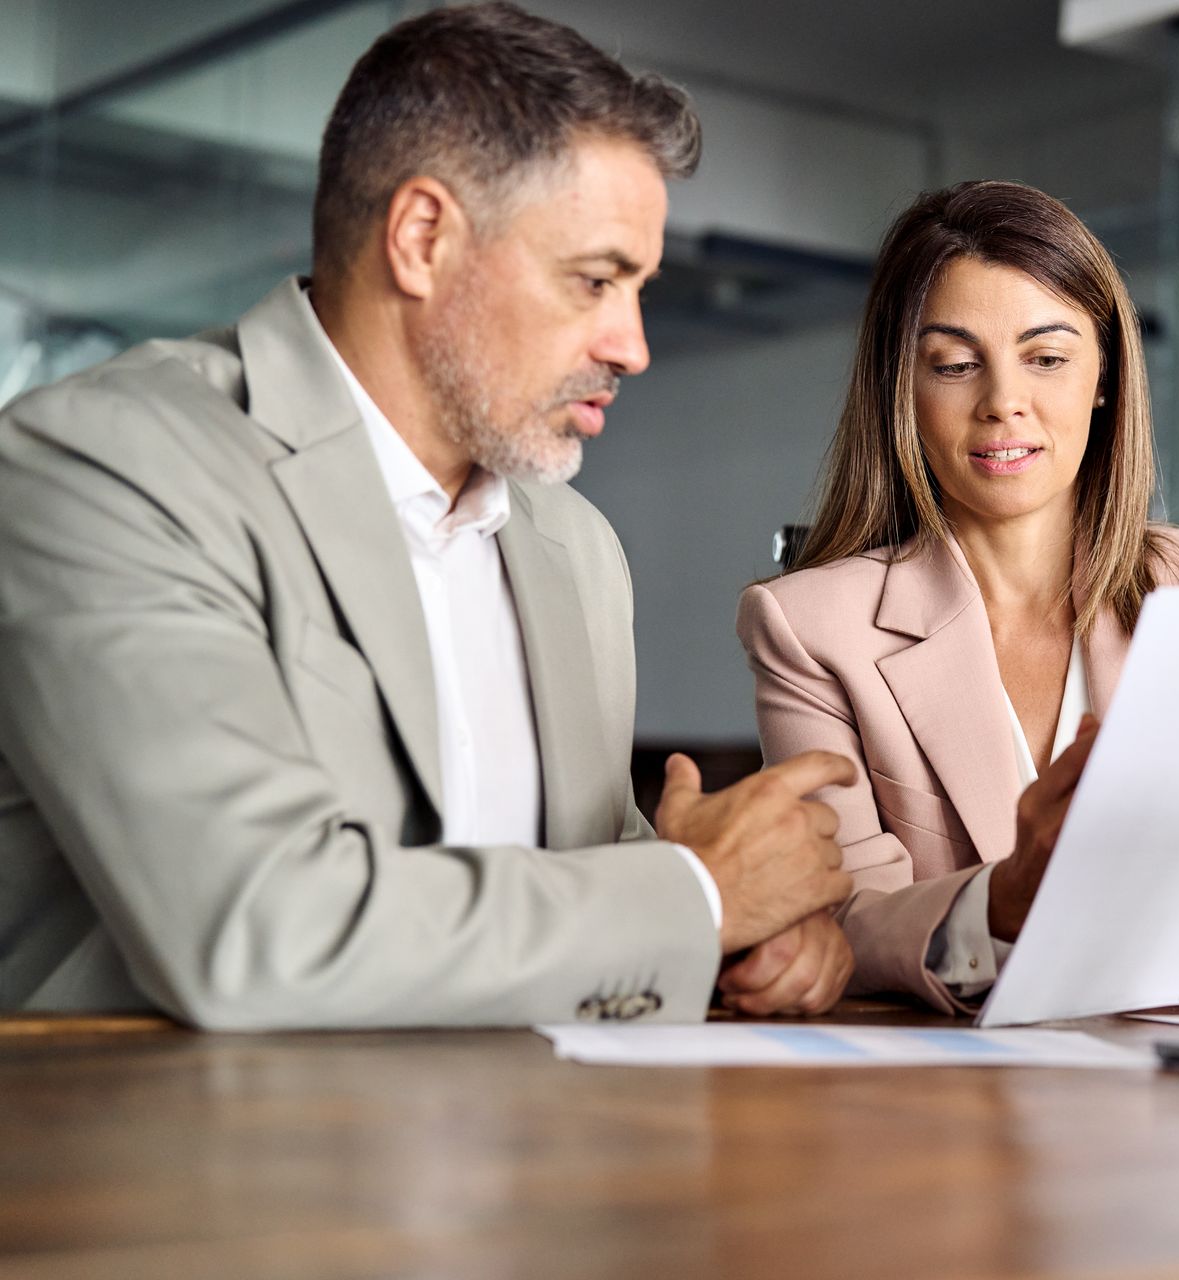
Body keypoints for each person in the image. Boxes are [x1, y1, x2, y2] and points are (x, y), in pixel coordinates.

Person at [0, 3, 859, 1028]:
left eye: (640, 289)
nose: (631, 344)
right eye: (594, 279)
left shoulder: (576, 549)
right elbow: (259, 927)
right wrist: (698, 897)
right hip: (180, 1168)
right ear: (422, 238)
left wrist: (745, 938)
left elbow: (597, 893)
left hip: (536, 1153)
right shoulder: (104, 465)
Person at [738, 181, 1179, 1017]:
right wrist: (995, 904)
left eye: (1047, 357)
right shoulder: (813, 628)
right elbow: (837, 922)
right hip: (948, 1120)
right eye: (956, 365)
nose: (1004, 401)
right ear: (904, 391)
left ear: (1104, 377)